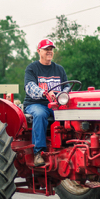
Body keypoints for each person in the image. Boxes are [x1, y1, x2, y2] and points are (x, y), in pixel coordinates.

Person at [23, 38, 68, 167]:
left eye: (51, 49)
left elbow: (66, 87)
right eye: (46, 49)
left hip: (55, 105)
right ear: (39, 51)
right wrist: (45, 93)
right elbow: (30, 87)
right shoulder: (32, 68)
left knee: (69, 115)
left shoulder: (59, 69)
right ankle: (39, 152)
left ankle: (66, 147)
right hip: (35, 104)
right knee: (40, 114)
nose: (49, 52)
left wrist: (61, 94)